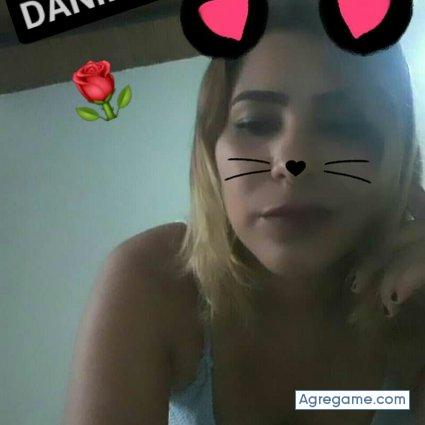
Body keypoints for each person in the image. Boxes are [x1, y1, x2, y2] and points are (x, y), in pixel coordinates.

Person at [62, 1, 425, 424]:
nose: (292, 160)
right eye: (255, 122)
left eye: (342, 124)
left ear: (398, 152)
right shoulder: (156, 278)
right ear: (210, 148)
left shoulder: (416, 302)